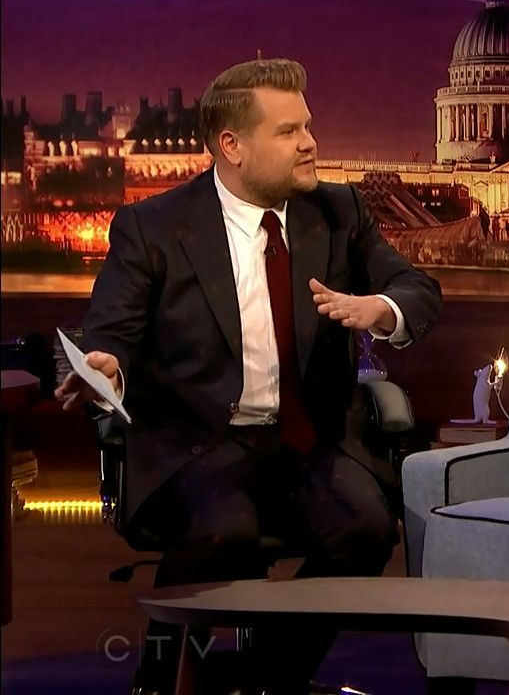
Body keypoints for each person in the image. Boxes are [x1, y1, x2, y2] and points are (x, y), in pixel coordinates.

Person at [54, 58, 442, 694]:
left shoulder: (339, 211)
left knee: (368, 528)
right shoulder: (155, 226)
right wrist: (107, 366)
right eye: (289, 131)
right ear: (231, 146)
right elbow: (109, 334)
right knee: (223, 531)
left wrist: (382, 308)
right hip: (199, 439)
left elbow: (417, 288)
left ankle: (266, 680)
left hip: (308, 440)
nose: (310, 142)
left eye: (307, 125)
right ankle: (164, 678)